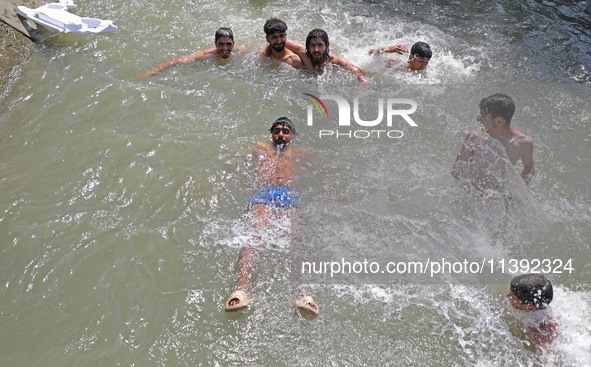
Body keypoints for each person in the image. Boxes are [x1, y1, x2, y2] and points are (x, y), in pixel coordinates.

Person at [225, 117, 318, 315]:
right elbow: (230, 158)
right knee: (255, 234)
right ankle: (241, 289)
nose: (280, 135)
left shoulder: (301, 153)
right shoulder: (261, 148)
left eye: (285, 131)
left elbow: (326, 169)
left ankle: (305, 294)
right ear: (271, 134)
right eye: (276, 131)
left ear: (292, 135)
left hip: (291, 196)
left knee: (296, 240)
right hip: (264, 195)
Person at [451, 93, 535, 195]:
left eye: (483, 116)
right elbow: (457, 169)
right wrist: (470, 190)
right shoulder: (475, 138)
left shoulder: (523, 143)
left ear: (499, 121)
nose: (478, 119)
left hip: (499, 196)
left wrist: (517, 192)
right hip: (472, 194)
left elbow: (529, 168)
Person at [134, 28, 242, 79]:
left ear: (233, 44)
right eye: (221, 44)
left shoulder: (239, 50)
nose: (224, 48)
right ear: (215, 44)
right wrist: (150, 73)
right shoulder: (205, 55)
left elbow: (257, 53)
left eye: (228, 44)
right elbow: (175, 62)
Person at [285, 28, 367, 84]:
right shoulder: (303, 54)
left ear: (327, 46)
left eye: (320, 45)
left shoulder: (334, 61)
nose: (316, 49)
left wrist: (361, 80)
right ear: (307, 47)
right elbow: (282, 41)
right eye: (312, 45)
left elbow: (359, 72)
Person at [507, 274, 559, 353]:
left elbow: (552, 357)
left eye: (513, 296)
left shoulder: (533, 333)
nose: (507, 295)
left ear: (530, 308)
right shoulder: (544, 299)